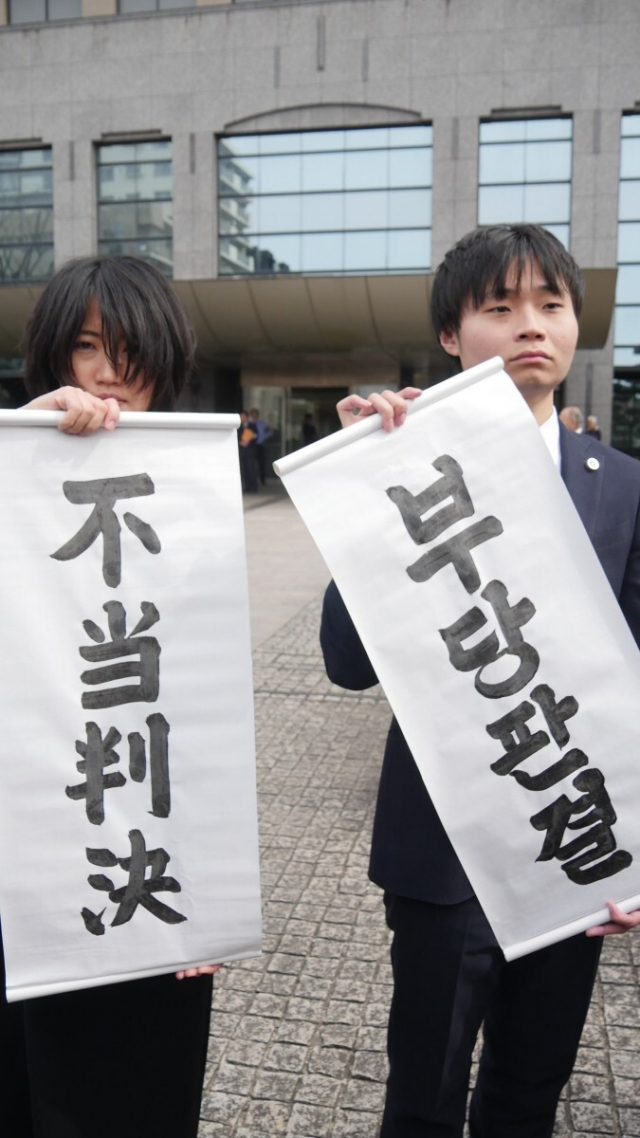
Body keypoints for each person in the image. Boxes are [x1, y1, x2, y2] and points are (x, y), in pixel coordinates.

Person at [320, 224, 640, 1138]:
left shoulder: (621, 487)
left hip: (575, 850)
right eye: (500, 308)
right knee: (421, 1101)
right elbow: (347, 665)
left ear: (577, 325)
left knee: (526, 1095)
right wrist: (359, 491)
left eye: (551, 305)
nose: (531, 325)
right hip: (443, 851)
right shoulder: (402, 470)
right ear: (452, 338)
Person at [7, 255, 221, 1138]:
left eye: (129, 350)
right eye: (87, 346)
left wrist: (212, 898)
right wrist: (17, 443)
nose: (107, 373)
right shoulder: (13, 470)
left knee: (144, 1087)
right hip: (28, 855)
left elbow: (204, 711)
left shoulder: (195, 491)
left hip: (148, 851)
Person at [249, 407, 274, 485]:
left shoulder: (262, 424)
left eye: (255, 414)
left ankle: (262, 479)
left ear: (257, 415)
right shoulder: (249, 424)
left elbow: (270, 432)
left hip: (260, 445)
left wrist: (263, 437)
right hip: (252, 445)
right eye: (252, 414)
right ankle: (252, 479)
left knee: (261, 463)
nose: (254, 416)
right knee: (251, 463)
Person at [238, 409, 259, 493]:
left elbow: (256, 435)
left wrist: (249, 438)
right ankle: (246, 487)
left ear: (246, 417)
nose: (241, 418)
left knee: (251, 469)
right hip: (242, 450)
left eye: (243, 416)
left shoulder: (252, 425)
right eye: (240, 417)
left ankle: (253, 487)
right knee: (243, 470)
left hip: (250, 450)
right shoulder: (239, 426)